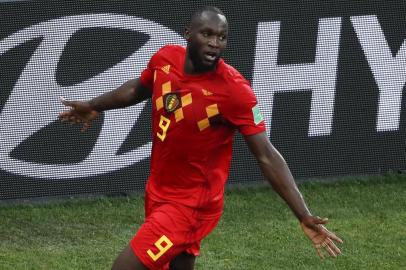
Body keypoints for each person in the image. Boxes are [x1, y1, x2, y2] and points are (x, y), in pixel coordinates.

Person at [59, 6, 343, 270]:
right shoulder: (165, 59)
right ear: (188, 34)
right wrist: (94, 105)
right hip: (159, 190)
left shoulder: (234, 91)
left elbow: (266, 154)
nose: (214, 43)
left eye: (221, 37)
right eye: (207, 34)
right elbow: (138, 89)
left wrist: (303, 214)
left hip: (191, 206)